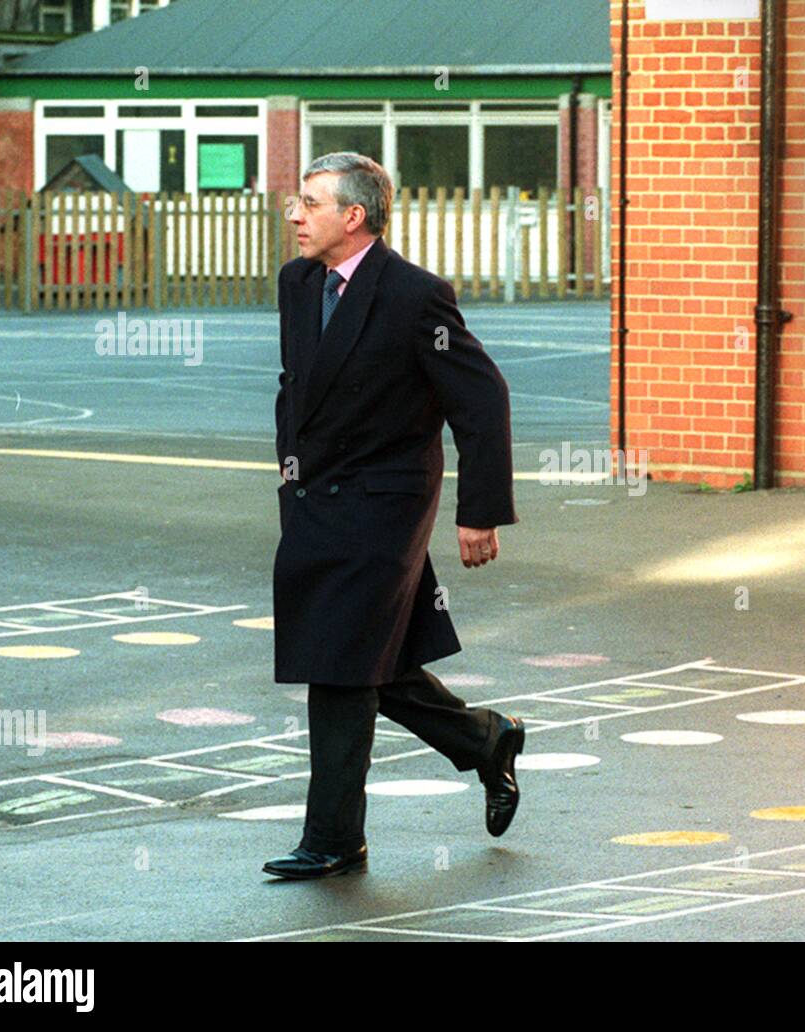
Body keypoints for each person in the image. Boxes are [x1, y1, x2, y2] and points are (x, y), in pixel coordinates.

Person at [262, 152, 524, 880]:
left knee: (340, 670)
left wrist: (480, 513)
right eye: (296, 202)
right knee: (378, 664)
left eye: (309, 203)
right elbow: (295, 387)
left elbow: (482, 400)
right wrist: (290, 471)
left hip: (385, 509)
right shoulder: (298, 282)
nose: (294, 214)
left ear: (354, 216)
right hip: (315, 501)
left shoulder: (414, 296)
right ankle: (485, 740)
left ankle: (334, 838)